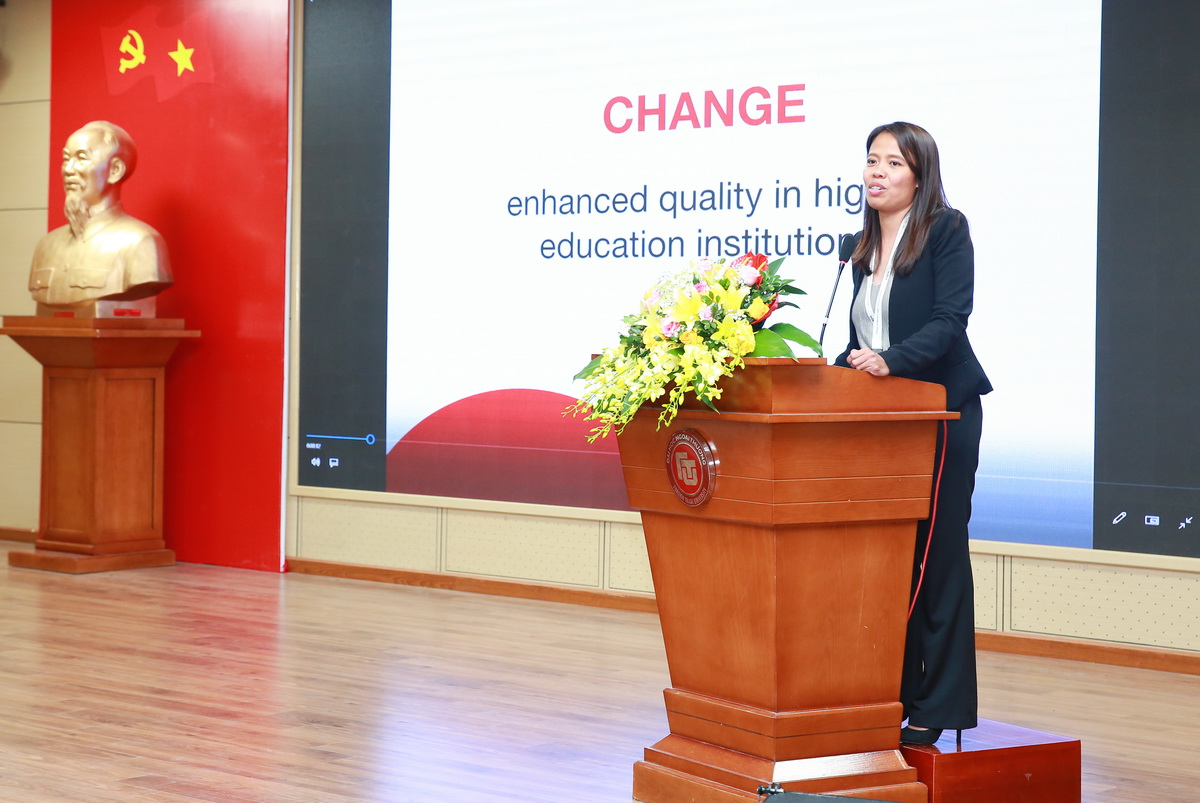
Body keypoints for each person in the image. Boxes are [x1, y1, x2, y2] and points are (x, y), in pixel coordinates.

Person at [834, 121, 992, 746]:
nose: (877, 173)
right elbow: (862, 337)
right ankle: (889, 690)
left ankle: (938, 702)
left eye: (893, 163)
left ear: (920, 176)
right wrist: (834, 371)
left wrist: (891, 361)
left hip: (941, 411)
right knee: (889, 559)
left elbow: (951, 320)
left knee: (936, 554)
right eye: (872, 161)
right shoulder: (858, 245)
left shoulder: (946, 229)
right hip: (885, 421)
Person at [28, 120, 172, 315]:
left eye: (81, 158)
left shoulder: (141, 243)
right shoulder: (46, 247)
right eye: (66, 159)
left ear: (115, 170)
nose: (68, 169)